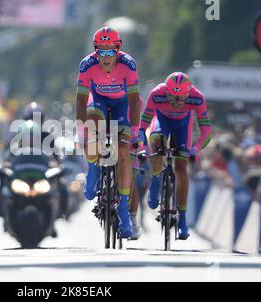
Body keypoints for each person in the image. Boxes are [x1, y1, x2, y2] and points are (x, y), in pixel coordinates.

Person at [76, 27, 142, 238]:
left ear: (118, 49)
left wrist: (133, 130)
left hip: (123, 104)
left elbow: (133, 100)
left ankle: (123, 207)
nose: (105, 57)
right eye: (100, 51)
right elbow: (80, 99)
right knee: (93, 123)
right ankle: (93, 170)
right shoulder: (87, 64)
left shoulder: (128, 64)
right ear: (95, 50)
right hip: (98, 101)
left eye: (109, 51)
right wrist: (81, 128)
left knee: (123, 152)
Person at [139, 72, 212, 239]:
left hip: (183, 125)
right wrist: (143, 146)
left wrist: (195, 149)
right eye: (172, 97)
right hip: (161, 122)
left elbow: (206, 131)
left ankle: (183, 220)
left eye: (181, 98)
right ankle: (155, 181)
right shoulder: (156, 94)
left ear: (188, 93)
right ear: (166, 92)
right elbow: (142, 127)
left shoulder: (197, 97)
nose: (177, 103)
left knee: (181, 167)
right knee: (156, 140)